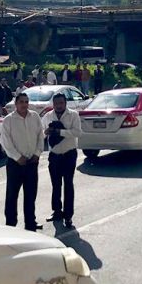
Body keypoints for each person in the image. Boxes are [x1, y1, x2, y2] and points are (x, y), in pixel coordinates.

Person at [0, 93, 44, 231]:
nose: (24, 104)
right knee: (12, 195)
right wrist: (17, 157)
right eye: (21, 102)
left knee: (31, 195)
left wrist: (37, 154)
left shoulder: (34, 117)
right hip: (15, 164)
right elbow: (5, 142)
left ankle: (30, 223)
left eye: (26, 102)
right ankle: (11, 225)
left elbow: (40, 136)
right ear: (16, 103)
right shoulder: (8, 120)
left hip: (32, 162)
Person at [41, 93, 82, 228]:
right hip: (54, 155)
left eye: (61, 103)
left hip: (69, 154)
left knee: (68, 184)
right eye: (56, 103)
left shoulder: (73, 115)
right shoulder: (47, 116)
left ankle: (68, 215)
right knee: (55, 184)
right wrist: (46, 132)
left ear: (65, 103)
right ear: (53, 104)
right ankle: (57, 211)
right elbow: (41, 133)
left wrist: (60, 132)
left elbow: (77, 132)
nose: (59, 106)